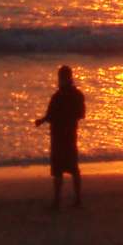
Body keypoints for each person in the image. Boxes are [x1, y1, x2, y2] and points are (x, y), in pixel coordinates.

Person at [33, 64, 85, 210]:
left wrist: (42, 121)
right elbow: (81, 114)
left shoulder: (58, 97)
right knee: (72, 168)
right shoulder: (77, 95)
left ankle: (58, 201)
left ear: (63, 78)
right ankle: (77, 200)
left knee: (59, 170)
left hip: (60, 136)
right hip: (69, 135)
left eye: (60, 78)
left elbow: (50, 115)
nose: (59, 80)